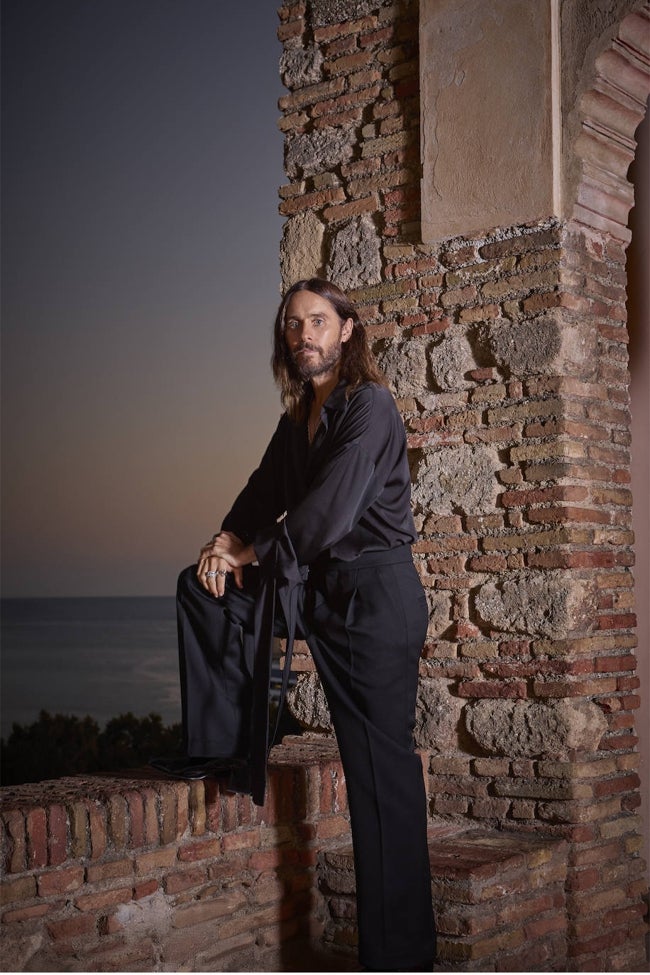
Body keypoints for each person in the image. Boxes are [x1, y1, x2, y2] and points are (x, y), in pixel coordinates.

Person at [152, 278, 436, 971]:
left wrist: (252, 551)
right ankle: (224, 746)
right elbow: (262, 491)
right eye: (292, 324)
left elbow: (328, 514)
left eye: (317, 321)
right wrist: (225, 541)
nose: (302, 334)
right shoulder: (299, 418)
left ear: (346, 330)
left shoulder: (369, 407)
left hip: (375, 597)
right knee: (203, 588)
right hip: (320, 592)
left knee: (380, 781)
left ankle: (399, 960)